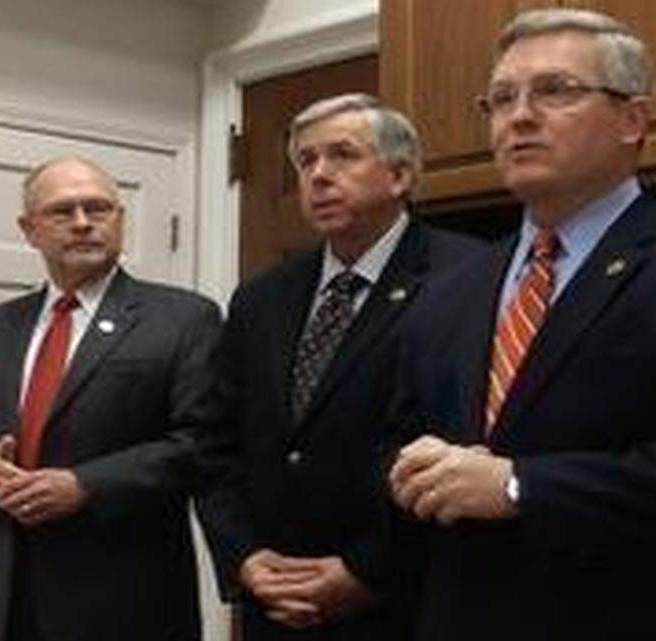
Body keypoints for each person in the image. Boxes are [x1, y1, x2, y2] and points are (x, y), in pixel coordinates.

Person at [386, 9, 656, 640]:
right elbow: (399, 439)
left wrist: (519, 485)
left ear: (633, 120)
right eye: (501, 98)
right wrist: (409, 472)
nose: (519, 115)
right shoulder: (448, 291)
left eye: (554, 91)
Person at [197, 94, 481, 640]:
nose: (319, 175)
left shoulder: (468, 278)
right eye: (306, 162)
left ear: (400, 175)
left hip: (403, 603)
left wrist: (368, 572)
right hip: (273, 603)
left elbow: (465, 443)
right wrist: (245, 558)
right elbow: (214, 442)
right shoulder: (263, 297)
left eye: (342, 155)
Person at [0, 157, 220, 641]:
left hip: (125, 601)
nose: (82, 223)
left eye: (98, 209)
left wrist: (85, 485)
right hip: (4, 596)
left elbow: (202, 444)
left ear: (119, 220)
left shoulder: (184, 319)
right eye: (62, 212)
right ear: (29, 229)